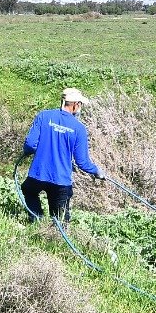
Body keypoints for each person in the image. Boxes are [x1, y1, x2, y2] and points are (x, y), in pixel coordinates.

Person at [21, 87, 100, 222]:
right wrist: (97, 171)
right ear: (76, 105)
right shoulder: (79, 128)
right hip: (61, 180)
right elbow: (82, 162)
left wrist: (30, 152)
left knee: (28, 190)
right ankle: (56, 235)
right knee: (60, 218)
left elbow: (29, 144)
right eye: (80, 104)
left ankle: (36, 220)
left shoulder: (44, 116)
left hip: (38, 174)